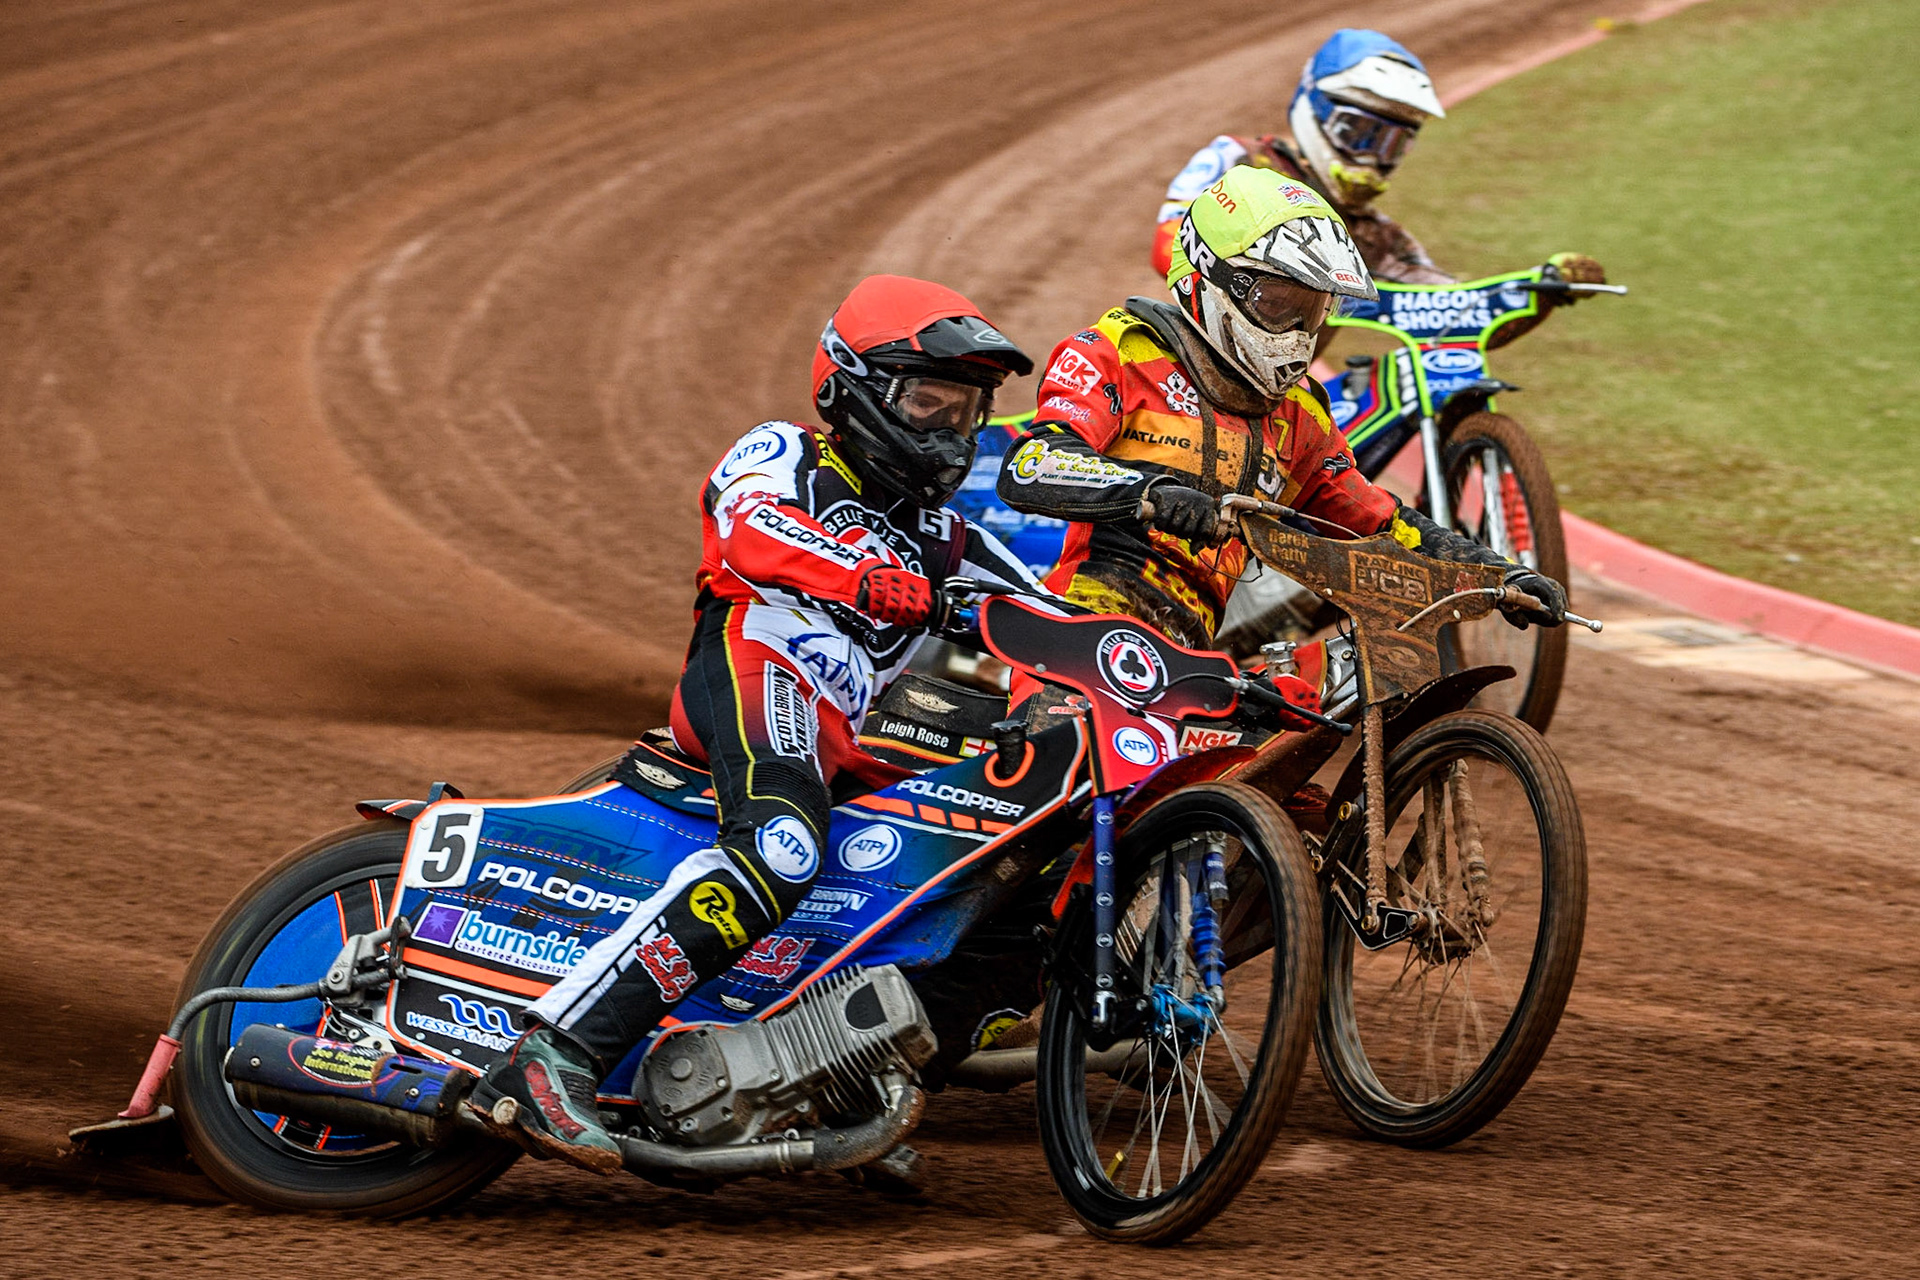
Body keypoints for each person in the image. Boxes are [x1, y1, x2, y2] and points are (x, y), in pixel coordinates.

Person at [472, 275, 1042, 1172]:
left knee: (940, 865)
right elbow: (751, 531)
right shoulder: (784, 452)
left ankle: (826, 1074)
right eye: (927, 401)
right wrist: (872, 580)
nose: (948, 428)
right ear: (852, 389)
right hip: (755, 663)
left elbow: (1054, 615)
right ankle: (552, 1056)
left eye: (967, 409)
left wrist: (1206, 675)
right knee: (782, 848)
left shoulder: (946, 536)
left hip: (844, 728)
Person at [997, 164, 1566, 658]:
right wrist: (1155, 494)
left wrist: (1497, 571)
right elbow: (1033, 463)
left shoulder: (1298, 416)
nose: (1296, 332)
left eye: (1312, 311)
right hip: (1084, 628)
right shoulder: (1118, 352)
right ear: (1213, 279)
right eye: (1278, 304)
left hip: (1195, 659)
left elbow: (1380, 521)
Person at [1149, 28, 1604, 319]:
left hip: (1284, 393)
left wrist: (1539, 289)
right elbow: (1169, 241)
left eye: (1392, 143)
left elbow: (1453, 311)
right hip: (1197, 365)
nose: (1372, 156)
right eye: (1360, 132)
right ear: (1319, 109)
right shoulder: (1240, 161)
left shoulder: (1373, 236)